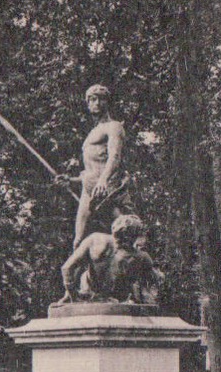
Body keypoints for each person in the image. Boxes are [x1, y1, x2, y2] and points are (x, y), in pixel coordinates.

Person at [56, 84, 126, 246]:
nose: (96, 103)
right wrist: (71, 180)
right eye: (92, 100)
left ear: (107, 102)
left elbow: (115, 156)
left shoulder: (114, 126)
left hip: (106, 190)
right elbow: (91, 169)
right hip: (88, 189)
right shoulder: (92, 133)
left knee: (125, 231)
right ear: (88, 104)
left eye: (101, 99)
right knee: (78, 241)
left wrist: (103, 181)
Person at [58, 214, 161, 306]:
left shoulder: (95, 239)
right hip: (110, 300)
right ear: (133, 236)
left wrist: (72, 295)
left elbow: (67, 268)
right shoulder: (141, 257)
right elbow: (153, 283)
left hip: (90, 295)